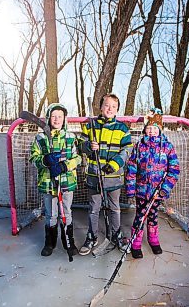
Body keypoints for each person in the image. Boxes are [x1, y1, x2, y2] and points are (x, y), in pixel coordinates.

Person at [78, 93, 133, 255]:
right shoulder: (90, 126)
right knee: (94, 208)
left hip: (113, 177)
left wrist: (115, 164)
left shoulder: (122, 129)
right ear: (101, 107)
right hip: (94, 177)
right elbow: (80, 145)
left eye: (113, 107)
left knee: (114, 208)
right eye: (107, 105)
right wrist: (89, 146)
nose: (109, 109)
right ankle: (92, 236)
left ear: (117, 110)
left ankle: (116, 235)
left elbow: (127, 149)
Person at [125, 108, 180, 259]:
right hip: (141, 191)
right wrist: (130, 190)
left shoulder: (167, 147)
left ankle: (153, 239)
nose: (151, 131)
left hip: (157, 192)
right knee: (140, 215)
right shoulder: (139, 147)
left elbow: (174, 169)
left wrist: (164, 189)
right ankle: (136, 242)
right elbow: (131, 169)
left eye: (154, 128)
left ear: (160, 129)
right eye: (148, 128)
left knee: (153, 215)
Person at [30, 103, 81, 258]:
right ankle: (50, 242)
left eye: (60, 116)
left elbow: (77, 158)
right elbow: (33, 158)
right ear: (48, 118)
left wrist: (66, 166)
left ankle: (69, 242)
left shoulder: (71, 137)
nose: (57, 119)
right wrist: (45, 160)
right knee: (51, 214)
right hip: (48, 182)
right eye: (54, 116)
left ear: (64, 118)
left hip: (66, 182)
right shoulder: (41, 137)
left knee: (66, 212)